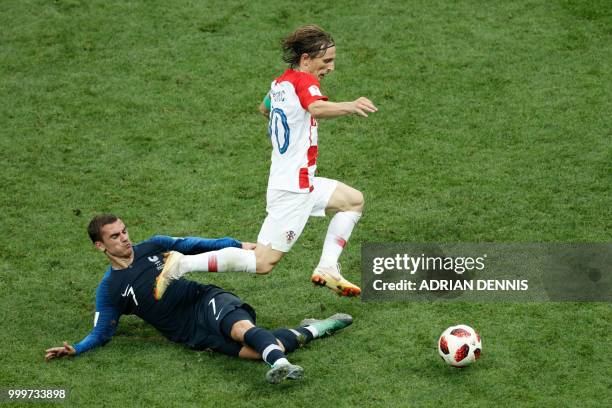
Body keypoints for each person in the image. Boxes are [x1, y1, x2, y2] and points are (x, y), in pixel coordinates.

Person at [44, 214, 353, 384]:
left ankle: (283, 365)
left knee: (241, 330)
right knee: (255, 351)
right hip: (188, 333)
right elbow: (103, 331)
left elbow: (195, 245)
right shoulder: (110, 289)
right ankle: (322, 326)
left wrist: (241, 246)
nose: (124, 238)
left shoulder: (154, 246)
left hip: (204, 299)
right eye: (115, 236)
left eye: (124, 231)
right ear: (100, 246)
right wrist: (77, 348)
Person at [254, 24, 378, 296]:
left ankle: (328, 267)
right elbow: (316, 107)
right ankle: (186, 261)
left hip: (295, 178)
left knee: (353, 201)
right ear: (306, 59)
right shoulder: (305, 82)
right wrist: (351, 106)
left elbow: (264, 108)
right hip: (292, 186)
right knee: (262, 262)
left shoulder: (279, 84)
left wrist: (290, 119)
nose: (331, 67)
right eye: (327, 61)